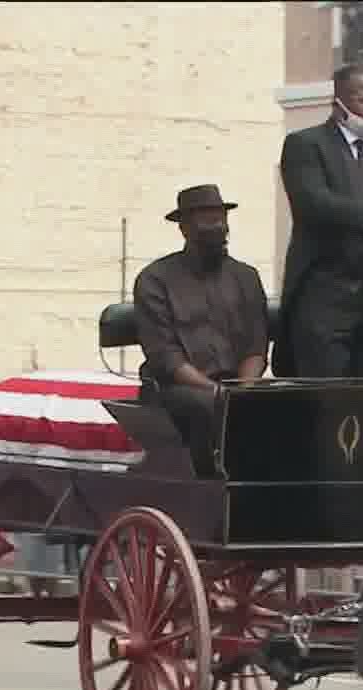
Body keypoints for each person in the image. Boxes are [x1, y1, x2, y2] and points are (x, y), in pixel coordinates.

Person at [274, 63, 363, 380]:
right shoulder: (306, 146)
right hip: (326, 303)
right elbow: (313, 204)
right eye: (362, 96)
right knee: (328, 402)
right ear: (337, 103)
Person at [132, 183, 271, 478]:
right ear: (183, 227)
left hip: (236, 385)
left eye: (219, 217)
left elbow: (256, 347)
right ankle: (212, 484)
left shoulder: (246, 277)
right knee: (207, 405)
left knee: (286, 402)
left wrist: (243, 391)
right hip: (177, 389)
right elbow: (166, 358)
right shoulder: (155, 279)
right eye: (205, 218)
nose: (216, 225)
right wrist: (217, 392)